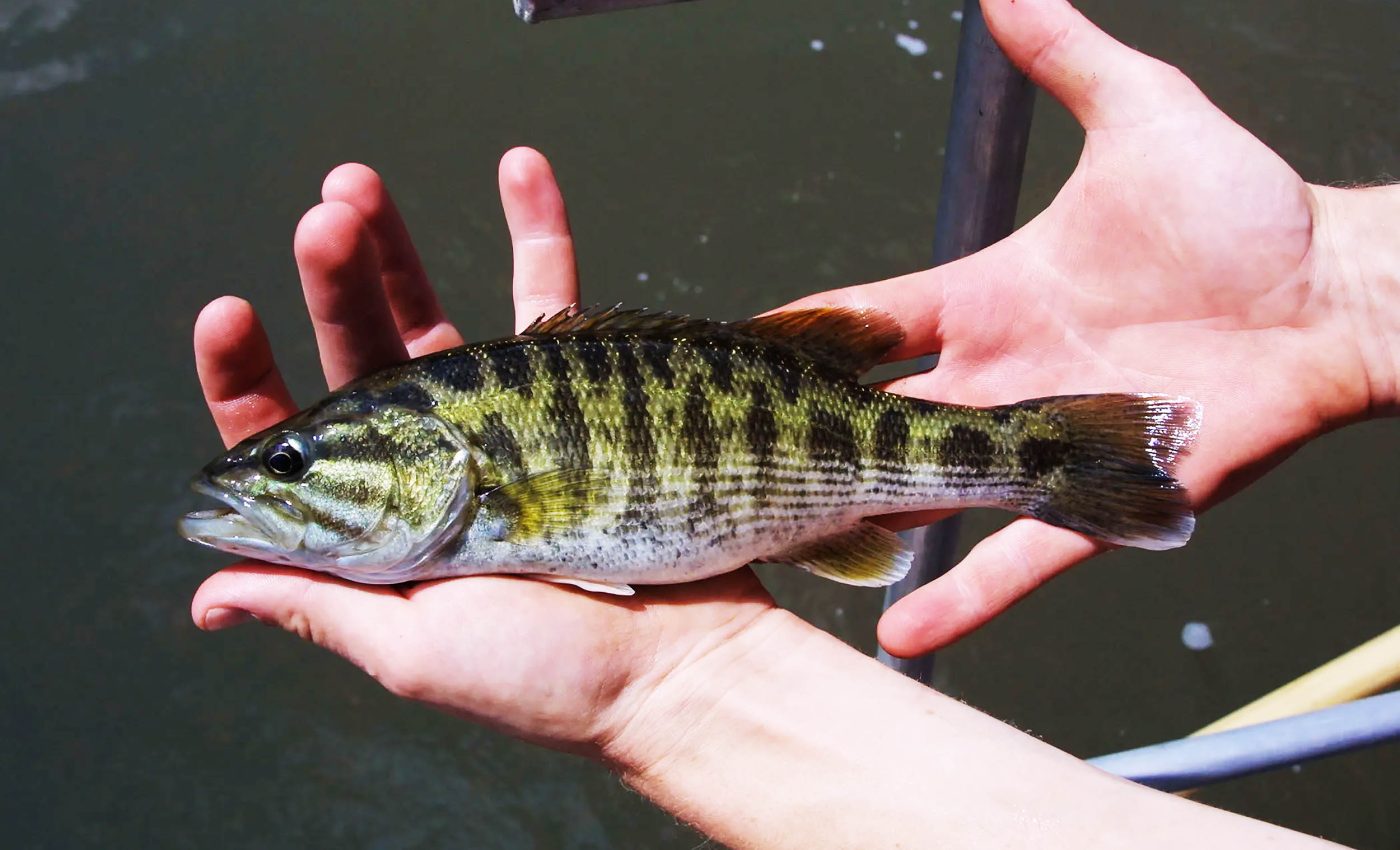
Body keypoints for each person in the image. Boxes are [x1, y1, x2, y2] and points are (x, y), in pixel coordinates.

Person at [187, 0, 1396, 846]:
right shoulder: (465, 488)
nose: (268, 484)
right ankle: (1045, 452)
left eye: (290, 463)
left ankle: (1040, 452)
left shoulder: (485, 486)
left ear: (428, 465)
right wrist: (1339, 291)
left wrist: (1342, 288)